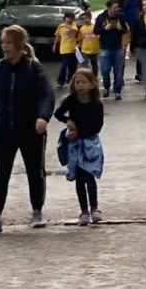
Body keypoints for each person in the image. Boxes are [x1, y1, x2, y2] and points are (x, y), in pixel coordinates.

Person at [0, 25, 54, 232]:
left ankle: (37, 211)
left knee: (34, 171)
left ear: (19, 44)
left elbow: (47, 94)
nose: (5, 46)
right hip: (4, 130)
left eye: (9, 42)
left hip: (31, 131)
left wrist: (43, 117)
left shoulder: (33, 67)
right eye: (3, 42)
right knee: (1, 171)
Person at [54, 66, 105, 225]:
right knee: (79, 177)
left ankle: (94, 208)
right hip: (74, 145)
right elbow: (58, 113)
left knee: (90, 175)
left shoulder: (97, 104)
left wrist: (79, 132)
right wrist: (67, 121)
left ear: (92, 85)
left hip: (90, 144)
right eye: (77, 82)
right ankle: (83, 210)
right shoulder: (71, 100)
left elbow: (97, 127)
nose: (80, 85)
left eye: (84, 82)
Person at [94, 0, 129, 100]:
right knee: (105, 70)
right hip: (105, 48)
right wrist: (105, 29)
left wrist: (120, 29)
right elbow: (95, 31)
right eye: (115, 7)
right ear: (109, 8)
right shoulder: (101, 17)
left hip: (118, 48)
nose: (117, 9)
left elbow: (125, 30)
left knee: (118, 71)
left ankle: (117, 91)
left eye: (118, 7)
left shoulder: (120, 17)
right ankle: (106, 86)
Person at [53, 10, 80, 88]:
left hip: (72, 49)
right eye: (68, 18)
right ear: (64, 18)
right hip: (64, 49)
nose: (69, 19)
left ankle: (71, 78)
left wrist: (66, 25)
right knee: (64, 65)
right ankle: (60, 81)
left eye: (71, 18)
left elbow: (75, 30)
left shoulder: (73, 24)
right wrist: (55, 45)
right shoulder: (60, 26)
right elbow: (58, 36)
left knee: (73, 66)